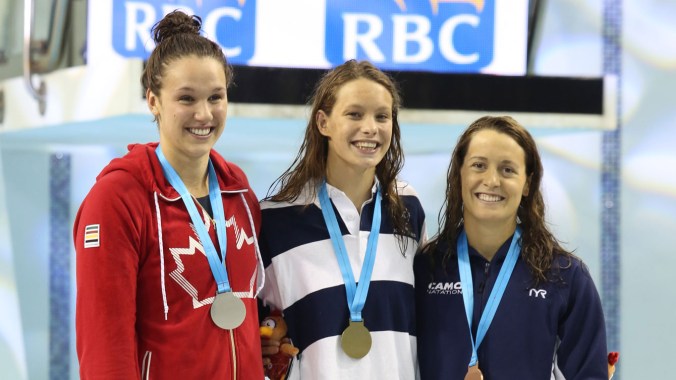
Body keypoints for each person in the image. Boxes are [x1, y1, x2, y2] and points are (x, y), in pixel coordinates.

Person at [73, 11, 264, 379]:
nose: (204, 113)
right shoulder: (118, 198)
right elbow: (104, 343)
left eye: (216, 97)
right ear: (153, 101)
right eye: (186, 98)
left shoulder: (237, 191)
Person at [258, 60, 427, 379]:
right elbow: (256, 328)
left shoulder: (408, 206)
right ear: (323, 122)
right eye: (354, 114)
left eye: (382, 116)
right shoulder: (274, 219)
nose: (371, 128)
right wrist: (265, 340)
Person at [414, 116, 608, 379]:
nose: (492, 180)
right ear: (460, 174)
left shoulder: (564, 276)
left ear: (528, 183)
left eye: (507, 170)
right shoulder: (426, 267)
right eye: (479, 165)